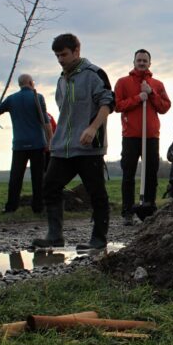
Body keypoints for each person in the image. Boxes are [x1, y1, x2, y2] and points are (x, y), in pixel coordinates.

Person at [33, 33, 114, 250]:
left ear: (77, 51)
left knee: (96, 192)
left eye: (64, 54)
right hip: (63, 147)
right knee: (50, 186)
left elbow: (108, 103)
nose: (60, 59)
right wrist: (54, 140)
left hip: (89, 147)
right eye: (57, 56)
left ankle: (98, 239)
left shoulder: (95, 74)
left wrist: (93, 127)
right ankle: (55, 236)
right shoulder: (62, 80)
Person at [115, 49, 171, 222]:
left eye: (144, 60)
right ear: (133, 62)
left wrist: (151, 93)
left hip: (151, 136)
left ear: (149, 63)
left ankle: (149, 210)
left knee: (151, 173)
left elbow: (165, 107)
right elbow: (117, 106)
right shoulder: (123, 82)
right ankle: (128, 212)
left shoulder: (157, 84)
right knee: (128, 174)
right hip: (131, 135)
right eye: (139, 60)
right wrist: (139, 97)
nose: (141, 63)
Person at [0, 74, 51, 214]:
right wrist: (50, 140)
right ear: (30, 83)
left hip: (19, 144)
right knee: (38, 177)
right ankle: (38, 207)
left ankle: (11, 206)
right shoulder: (38, 97)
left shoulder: (11, 99)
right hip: (37, 143)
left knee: (16, 177)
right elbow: (46, 122)